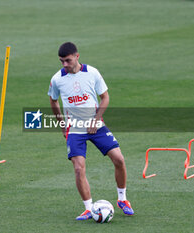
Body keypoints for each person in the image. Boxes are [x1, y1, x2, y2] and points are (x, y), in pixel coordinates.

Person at [48, 42, 134, 220]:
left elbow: (105, 97)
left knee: (119, 159)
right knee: (79, 169)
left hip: (97, 126)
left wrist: (96, 120)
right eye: (61, 61)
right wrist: (62, 125)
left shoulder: (92, 73)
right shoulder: (57, 79)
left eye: (68, 60)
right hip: (75, 130)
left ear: (77, 56)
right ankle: (88, 208)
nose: (64, 64)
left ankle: (122, 199)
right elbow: (53, 101)